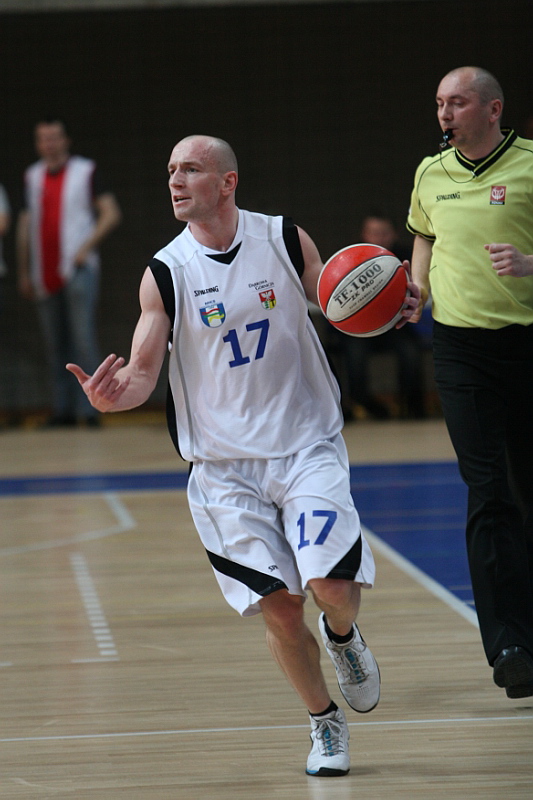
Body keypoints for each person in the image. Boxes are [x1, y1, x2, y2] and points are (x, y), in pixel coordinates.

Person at [67, 134, 418, 776]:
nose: (175, 181)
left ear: (228, 182)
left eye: (190, 169)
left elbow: (341, 301)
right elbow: (142, 371)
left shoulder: (282, 238)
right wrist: (114, 397)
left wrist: (392, 306)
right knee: (281, 607)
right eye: (170, 170)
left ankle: (343, 637)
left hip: (305, 444)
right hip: (225, 470)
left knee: (333, 590)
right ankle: (324, 722)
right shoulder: (166, 272)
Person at [407, 67, 533, 699]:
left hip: (527, 341)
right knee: (488, 492)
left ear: (493, 109)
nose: (444, 113)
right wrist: (416, 289)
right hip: (460, 349)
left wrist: (531, 264)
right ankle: (510, 645)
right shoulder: (431, 172)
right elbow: (423, 238)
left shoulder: (531, 164)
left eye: (456, 102)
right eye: (439, 103)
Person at [17, 118, 121, 427]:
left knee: (83, 339)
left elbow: (111, 213)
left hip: (78, 269)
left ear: (65, 140)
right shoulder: (32, 176)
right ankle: (63, 411)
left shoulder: (85, 171)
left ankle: (93, 409)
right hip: (43, 271)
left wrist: (85, 247)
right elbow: (25, 224)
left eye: (54, 137)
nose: (49, 144)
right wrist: (24, 269)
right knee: (55, 345)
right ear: (38, 143)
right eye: (43, 138)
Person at [330, 213, 426, 420]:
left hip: (395, 325)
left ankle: (411, 407)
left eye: (384, 233)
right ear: (364, 235)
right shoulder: (350, 258)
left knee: (410, 351)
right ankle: (360, 404)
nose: (379, 238)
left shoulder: (406, 258)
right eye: (374, 233)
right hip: (359, 327)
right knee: (354, 354)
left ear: (395, 234)